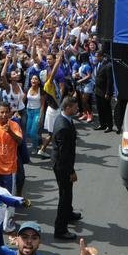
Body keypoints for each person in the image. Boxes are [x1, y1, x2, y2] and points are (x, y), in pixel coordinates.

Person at [51, 96, 81, 240]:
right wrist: (71, 172)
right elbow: (63, 155)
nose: (77, 109)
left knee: (68, 192)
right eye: (75, 107)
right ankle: (61, 229)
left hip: (63, 163)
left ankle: (68, 214)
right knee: (65, 196)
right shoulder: (63, 127)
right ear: (67, 108)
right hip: (63, 167)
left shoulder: (63, 119)